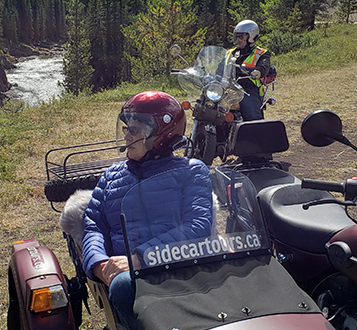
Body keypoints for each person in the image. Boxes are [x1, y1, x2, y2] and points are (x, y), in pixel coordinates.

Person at [81, 91, 213, 329]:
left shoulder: (191, 170)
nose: (126, 136)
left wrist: (141, 258)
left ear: (161, 135)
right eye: (126, 128)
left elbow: (198, 225)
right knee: (123, 286)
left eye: (135, 129)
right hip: (130, 280)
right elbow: (93, 225)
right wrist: (98, 264)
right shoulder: (110, 176)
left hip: (179, 268)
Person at [227, 19, 271, 121]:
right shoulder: (231, 53)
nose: (238, 40)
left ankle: (255, 133)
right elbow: (219, 68)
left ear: (252, 37)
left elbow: (263, 69)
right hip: (227, 87)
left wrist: (257, 72)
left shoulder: (262, 53)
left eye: (241, 37)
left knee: (252, 116)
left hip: (248, 89)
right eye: (236, 37)